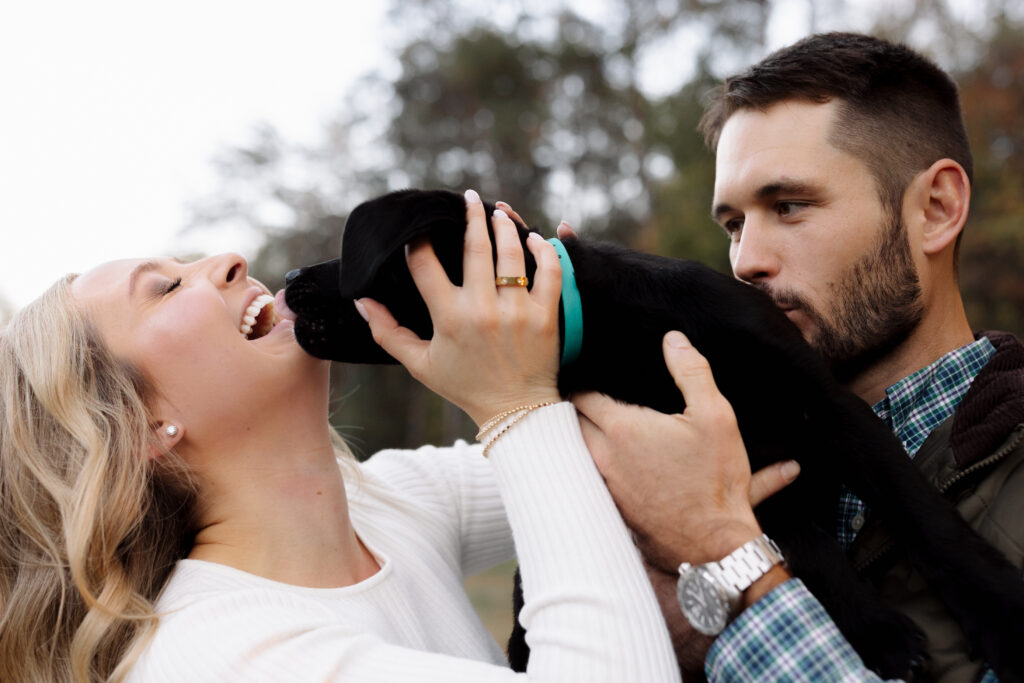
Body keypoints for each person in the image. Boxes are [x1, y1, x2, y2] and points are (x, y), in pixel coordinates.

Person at [0, 191, 681, 682]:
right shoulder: (212, 654)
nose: (231, 259)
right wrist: (515, 402)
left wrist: (567, 306)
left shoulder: (391, 504)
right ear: (139, 425)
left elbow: (648, 449)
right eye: (167, 286)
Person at [571, 32, 1024, 682]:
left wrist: (726, 552)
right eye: (733, 224)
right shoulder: (698, 451)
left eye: (789, 206)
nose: (746, 260)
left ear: (936, 208)